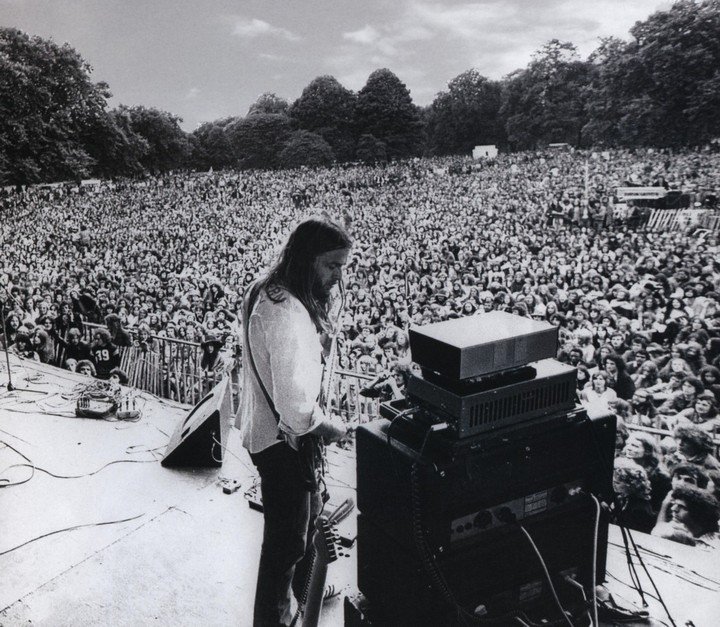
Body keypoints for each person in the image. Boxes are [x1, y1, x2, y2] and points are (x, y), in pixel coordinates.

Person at [237, 218, 351, 627]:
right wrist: (332, 428)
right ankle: (274, 619)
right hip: (281, 444)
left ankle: (306, 592)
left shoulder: (267, 290)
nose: (338, 278)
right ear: (306, 259)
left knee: (308, 520)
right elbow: (296, 410)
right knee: (285, 544)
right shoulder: (286, 314)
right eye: (332, 266)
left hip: (268, 431)